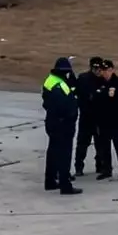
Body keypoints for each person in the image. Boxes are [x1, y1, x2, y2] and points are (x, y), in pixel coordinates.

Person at [41, 57, 82, 195]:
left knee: (53, 152)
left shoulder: (51, 80)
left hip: (52, 122)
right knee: (64, 154)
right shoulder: (59, 85)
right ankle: (65, 185)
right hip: (62, 124)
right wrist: (70, 115)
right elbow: (65, 104)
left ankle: (50, 181)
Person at [89, 58, 118, 181]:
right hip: (102, 120)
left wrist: (116, 104)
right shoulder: (98, 82)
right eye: (103, 70)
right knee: (104, 146)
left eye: (107, 70)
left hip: (115, 119)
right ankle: (107, 170)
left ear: (112, 70)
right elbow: (94, 98)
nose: (105, 73)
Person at [73, 56, 105, 177]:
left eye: (100, 68)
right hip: (86, 117)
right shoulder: (83, 79)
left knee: (100, 144)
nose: (98, 71)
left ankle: (100, 166)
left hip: (99, 117)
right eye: (96, 68)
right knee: (82, 144)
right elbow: (77, 95)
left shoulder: (103, 80)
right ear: (91, 68)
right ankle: (79, 167)